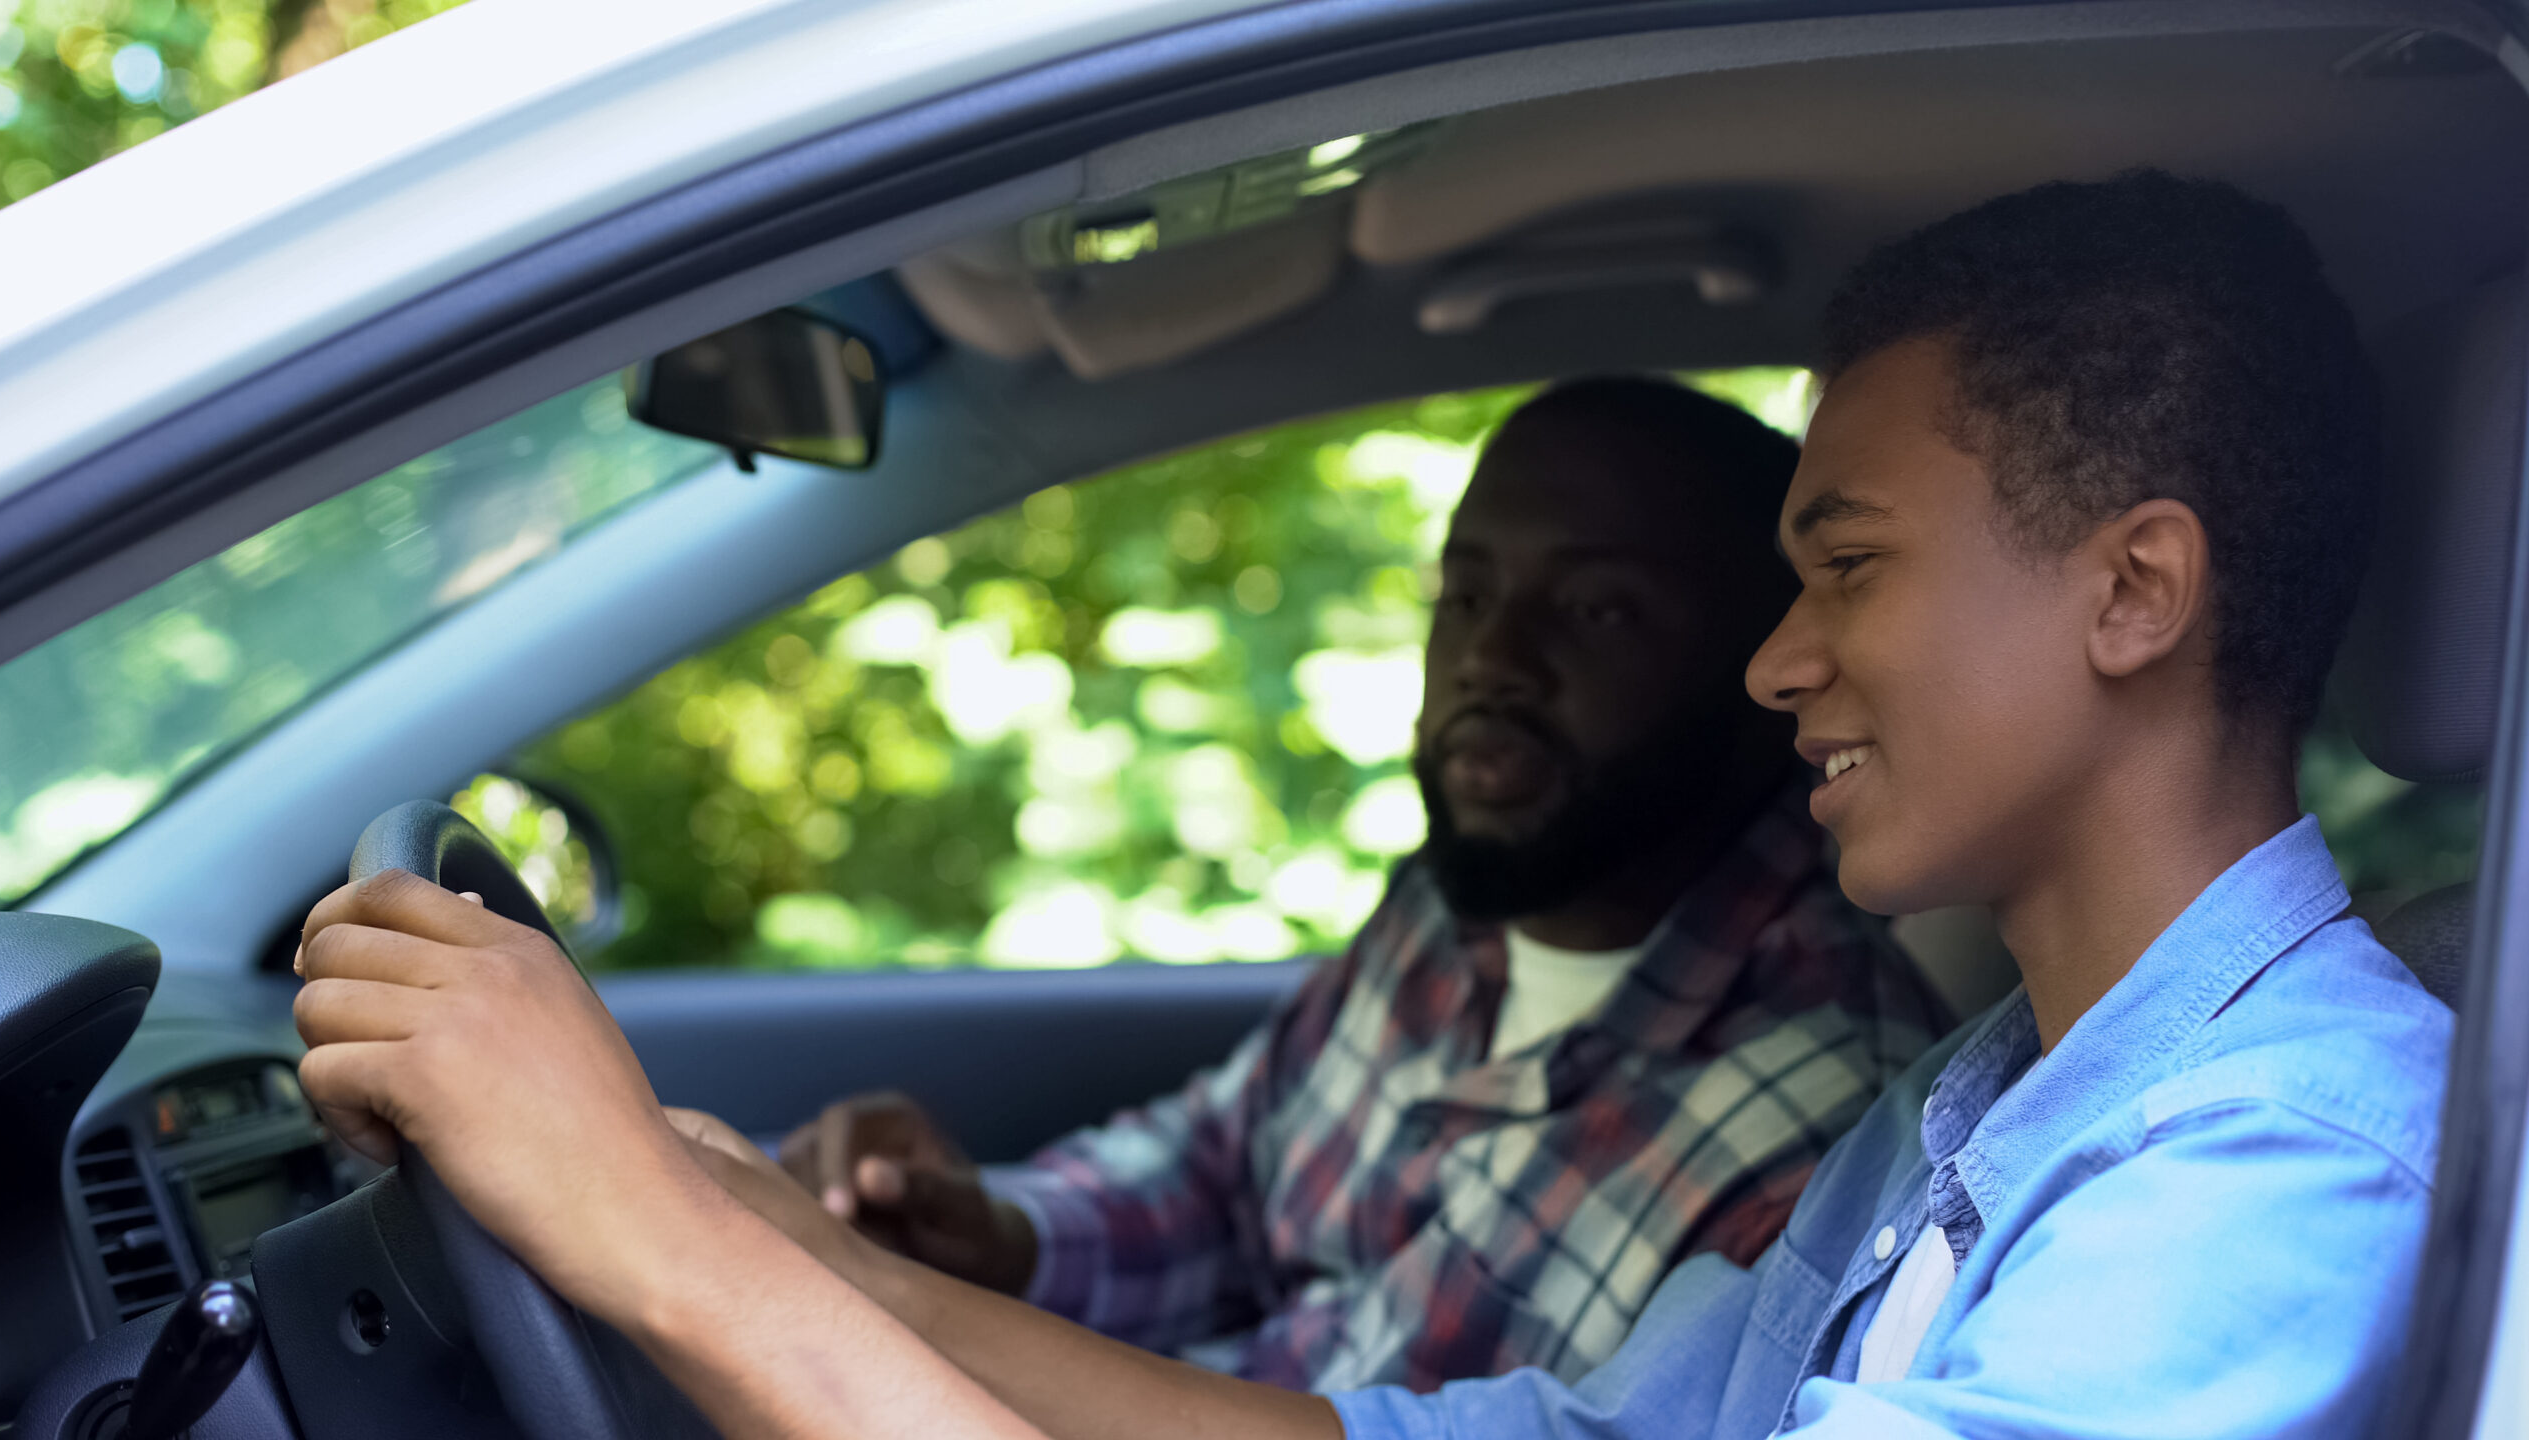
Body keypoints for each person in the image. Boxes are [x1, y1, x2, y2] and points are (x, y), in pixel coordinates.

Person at [289, 169, 2452, 1440]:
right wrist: (766, 1236)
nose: (1776, 659)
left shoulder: (2276, 1164)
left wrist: (649, 1249)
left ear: (2133, 590)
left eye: (1842, 566)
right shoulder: (1985, 1111)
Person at [765, 377, 1948, 1395]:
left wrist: (898, 1340)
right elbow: (1226, 1165)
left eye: (1596, 609)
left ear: (1774, 672)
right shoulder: (1462, 901)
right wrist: (999, 1240)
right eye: (1466, 595)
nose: (1491, 659)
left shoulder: (1824, 1121)